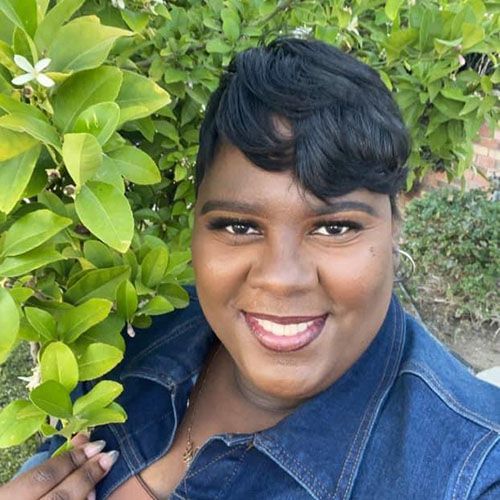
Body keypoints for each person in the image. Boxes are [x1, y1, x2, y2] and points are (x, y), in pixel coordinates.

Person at [1, 38, 499, 500]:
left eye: (334, 227)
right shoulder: (133, 334)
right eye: (239, 226)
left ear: (394, 228)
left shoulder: (473, 475)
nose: (282, 278)